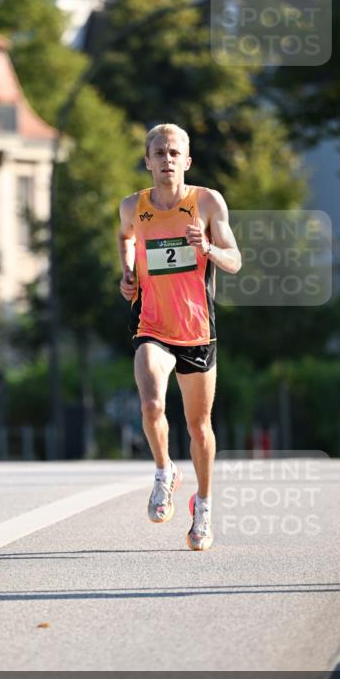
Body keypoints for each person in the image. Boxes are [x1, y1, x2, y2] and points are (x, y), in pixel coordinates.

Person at [118, 123, 241, 551]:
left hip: (196, 330)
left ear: (186, 161)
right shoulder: (133, 205)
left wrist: (206, 248)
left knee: (198, 425)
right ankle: (164, 471)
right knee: (152, 403)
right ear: (147, 160)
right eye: (159, 153)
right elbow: (126, 238)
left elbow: (235, 260)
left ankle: (203, 508)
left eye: (174, 153)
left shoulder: (206, 202)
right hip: (151, 324)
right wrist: (127, 272)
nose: (167, 160)